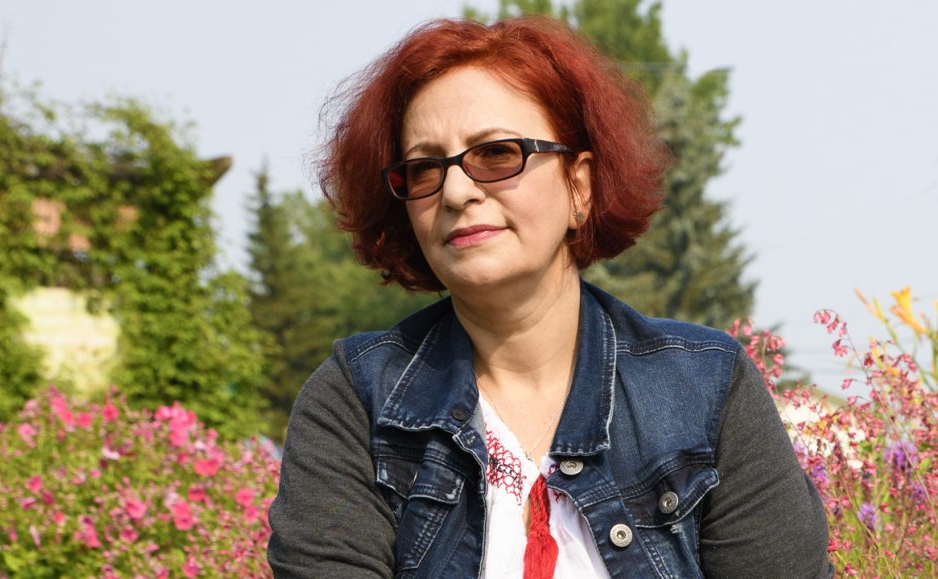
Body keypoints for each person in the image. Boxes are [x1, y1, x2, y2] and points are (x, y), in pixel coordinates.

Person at [268, 17, 832, 579]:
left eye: (496, 155)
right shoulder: (358, 400)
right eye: (424, 169)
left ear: (579, 187)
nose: (457, 191)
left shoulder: (705, 390)